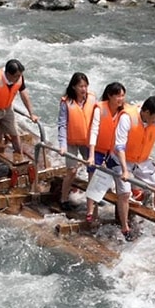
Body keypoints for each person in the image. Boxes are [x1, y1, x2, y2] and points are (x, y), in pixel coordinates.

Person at [85, 95, 155, 241]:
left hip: (141, 161)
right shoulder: (127, 118)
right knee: (124, 192)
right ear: (146, 112)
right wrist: (124, 170)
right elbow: (119, 146)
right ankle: (125, 227)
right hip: (119, 159)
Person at [0, 59, 39, 163]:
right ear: (8, 74)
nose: (18, 78)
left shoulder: (19, 78)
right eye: (16, 76)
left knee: (14, 133)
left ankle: (20, 158)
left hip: (7, 108)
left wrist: (31, 114)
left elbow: (24, 95)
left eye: (20, 75)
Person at [82, 82, 127, 226]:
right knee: (93, 178)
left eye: (123, 95)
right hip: (99, 150)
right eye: (118, 96)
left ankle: (119, 214)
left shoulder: (123, 112)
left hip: (113, 152)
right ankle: (90, 212)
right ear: (110, 96)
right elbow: (94, 131)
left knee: (115, 180)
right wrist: (91, 154)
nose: (121, 99)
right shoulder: (100, 109)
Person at [57, 72, 95, 211]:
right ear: (74, 87)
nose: (84, 89)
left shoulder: (92, 99)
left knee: (93, 168)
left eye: (85, 86)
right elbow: (62, 125)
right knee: (72, 171)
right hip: (71, 141)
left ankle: (92, 199)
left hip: (87, 141)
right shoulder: (66, 103)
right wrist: (62, 146)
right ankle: (64, 198)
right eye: (80, 86)